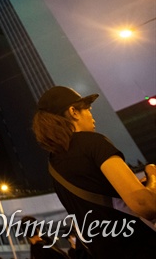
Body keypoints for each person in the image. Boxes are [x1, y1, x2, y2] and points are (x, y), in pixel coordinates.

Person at [32, 86, 156, 258]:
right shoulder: (93, 143)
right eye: (88, 109)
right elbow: (145, 205)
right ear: (74, 112)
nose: (92, 115)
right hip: (140, 247)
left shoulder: (54, 164)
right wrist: (152, 176)